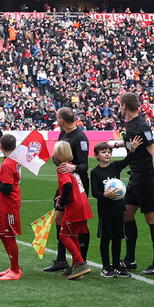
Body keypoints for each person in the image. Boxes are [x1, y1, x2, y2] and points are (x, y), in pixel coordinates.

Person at [119, 91, 154, 275]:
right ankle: (130, 259)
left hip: (146, 178)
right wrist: (119, 145)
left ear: (124, 106)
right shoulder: (131, 125)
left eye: (120, 105)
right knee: (126, 214)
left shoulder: (141, 126)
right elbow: (133, 147)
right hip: (135, 177)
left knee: (151, 217)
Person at [44, 107, 90, 273]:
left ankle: (80, 261)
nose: (56, 120)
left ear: (61, 120)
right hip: (65, 183)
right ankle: (62, 259)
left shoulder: (80, 137)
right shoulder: (63, 134)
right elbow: (60, 158)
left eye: (57, 118)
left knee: (79, 225)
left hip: (77, 185)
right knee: (59, 219)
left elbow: (84, 166)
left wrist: (73, 167)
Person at [52, 141, 93, 280]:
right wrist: (63, 196)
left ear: (58, 155)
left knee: (64, 235)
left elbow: (68, 186)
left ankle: (81, 263)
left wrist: (62, 203)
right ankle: (76, 266)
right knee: (73, 235)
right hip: (82, 204)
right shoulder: (70, 166)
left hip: (74, 207)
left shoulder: (62, 169)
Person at [90, 140, 128, 278]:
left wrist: (131, 148)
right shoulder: (95, 172)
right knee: (106, 238)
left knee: (118, 238)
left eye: (109, 152)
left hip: (118, 208)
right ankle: (106, 267)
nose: (107, 154)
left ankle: (116, 265)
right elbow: (94, 192)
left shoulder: (116, 166)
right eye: (103, 152)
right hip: (105, 211)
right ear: (96, 155)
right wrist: (105, 195)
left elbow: (129, 159)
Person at [0, 133, 22, 280]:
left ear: (0, 147)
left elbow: (7, 188)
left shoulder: (8, 164)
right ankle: (14, 266)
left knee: (9, 236)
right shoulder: (12, 160)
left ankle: (15, 271)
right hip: (5, 204)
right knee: (2, 234)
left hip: (10, 205)